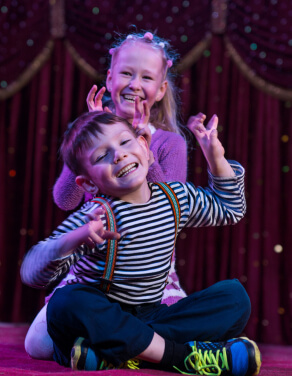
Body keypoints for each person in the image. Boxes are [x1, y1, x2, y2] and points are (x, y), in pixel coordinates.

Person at [21, 111, 260, 375]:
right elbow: (32, 273)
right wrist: (71, 239)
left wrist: (216, 158)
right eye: (101, 156)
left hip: (153, 316)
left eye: (125, 142)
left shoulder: (176, 198)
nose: (119, 155)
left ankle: (114, 353)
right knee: (65, 301)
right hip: (103, 318)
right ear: (88, 183)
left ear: (145, 147)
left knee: (235, 298)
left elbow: (230, 209)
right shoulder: (96, 218)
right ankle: (182, 357)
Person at [25, 31, 188, 360]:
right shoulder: (90, 133)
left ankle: (110, 347)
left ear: (161, 89)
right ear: (110, 77)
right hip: (94, 267)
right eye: (127, 73)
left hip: (147, 272)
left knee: (176, 324)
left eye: (146, 77)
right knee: (38, 345)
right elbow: (65, 200)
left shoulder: (169, 144)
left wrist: (146, 151)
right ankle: (118, 347)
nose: (135, 84)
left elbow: (173, 212)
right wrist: (87, 135)